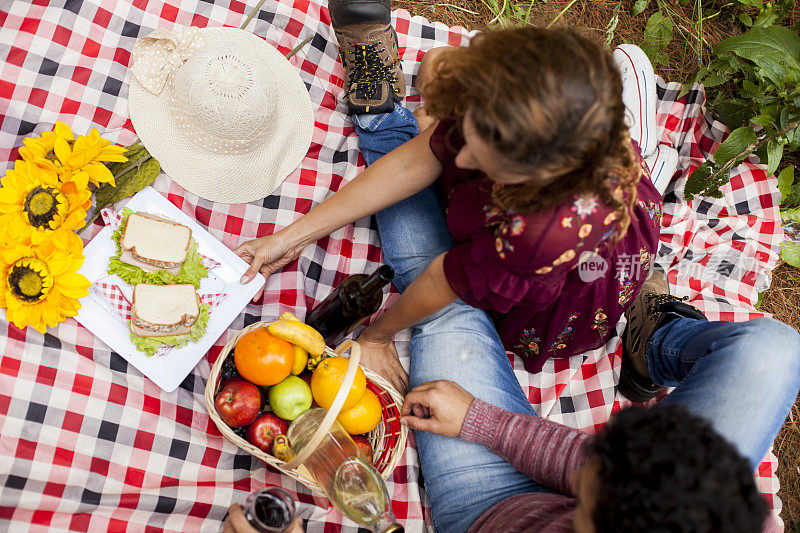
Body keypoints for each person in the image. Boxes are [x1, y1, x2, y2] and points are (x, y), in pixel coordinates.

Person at [235, 4, 671, 394]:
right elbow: (419, 159)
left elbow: (444, 278)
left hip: (562, 271)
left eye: (480, 156)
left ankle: (644, 158)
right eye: (467, 134)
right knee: (435, 68)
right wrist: (289, 239)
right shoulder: (505, 101)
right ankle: (638, 149)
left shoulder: (539, 232)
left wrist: (376, 336)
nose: (456, 155)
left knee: (430, 118)